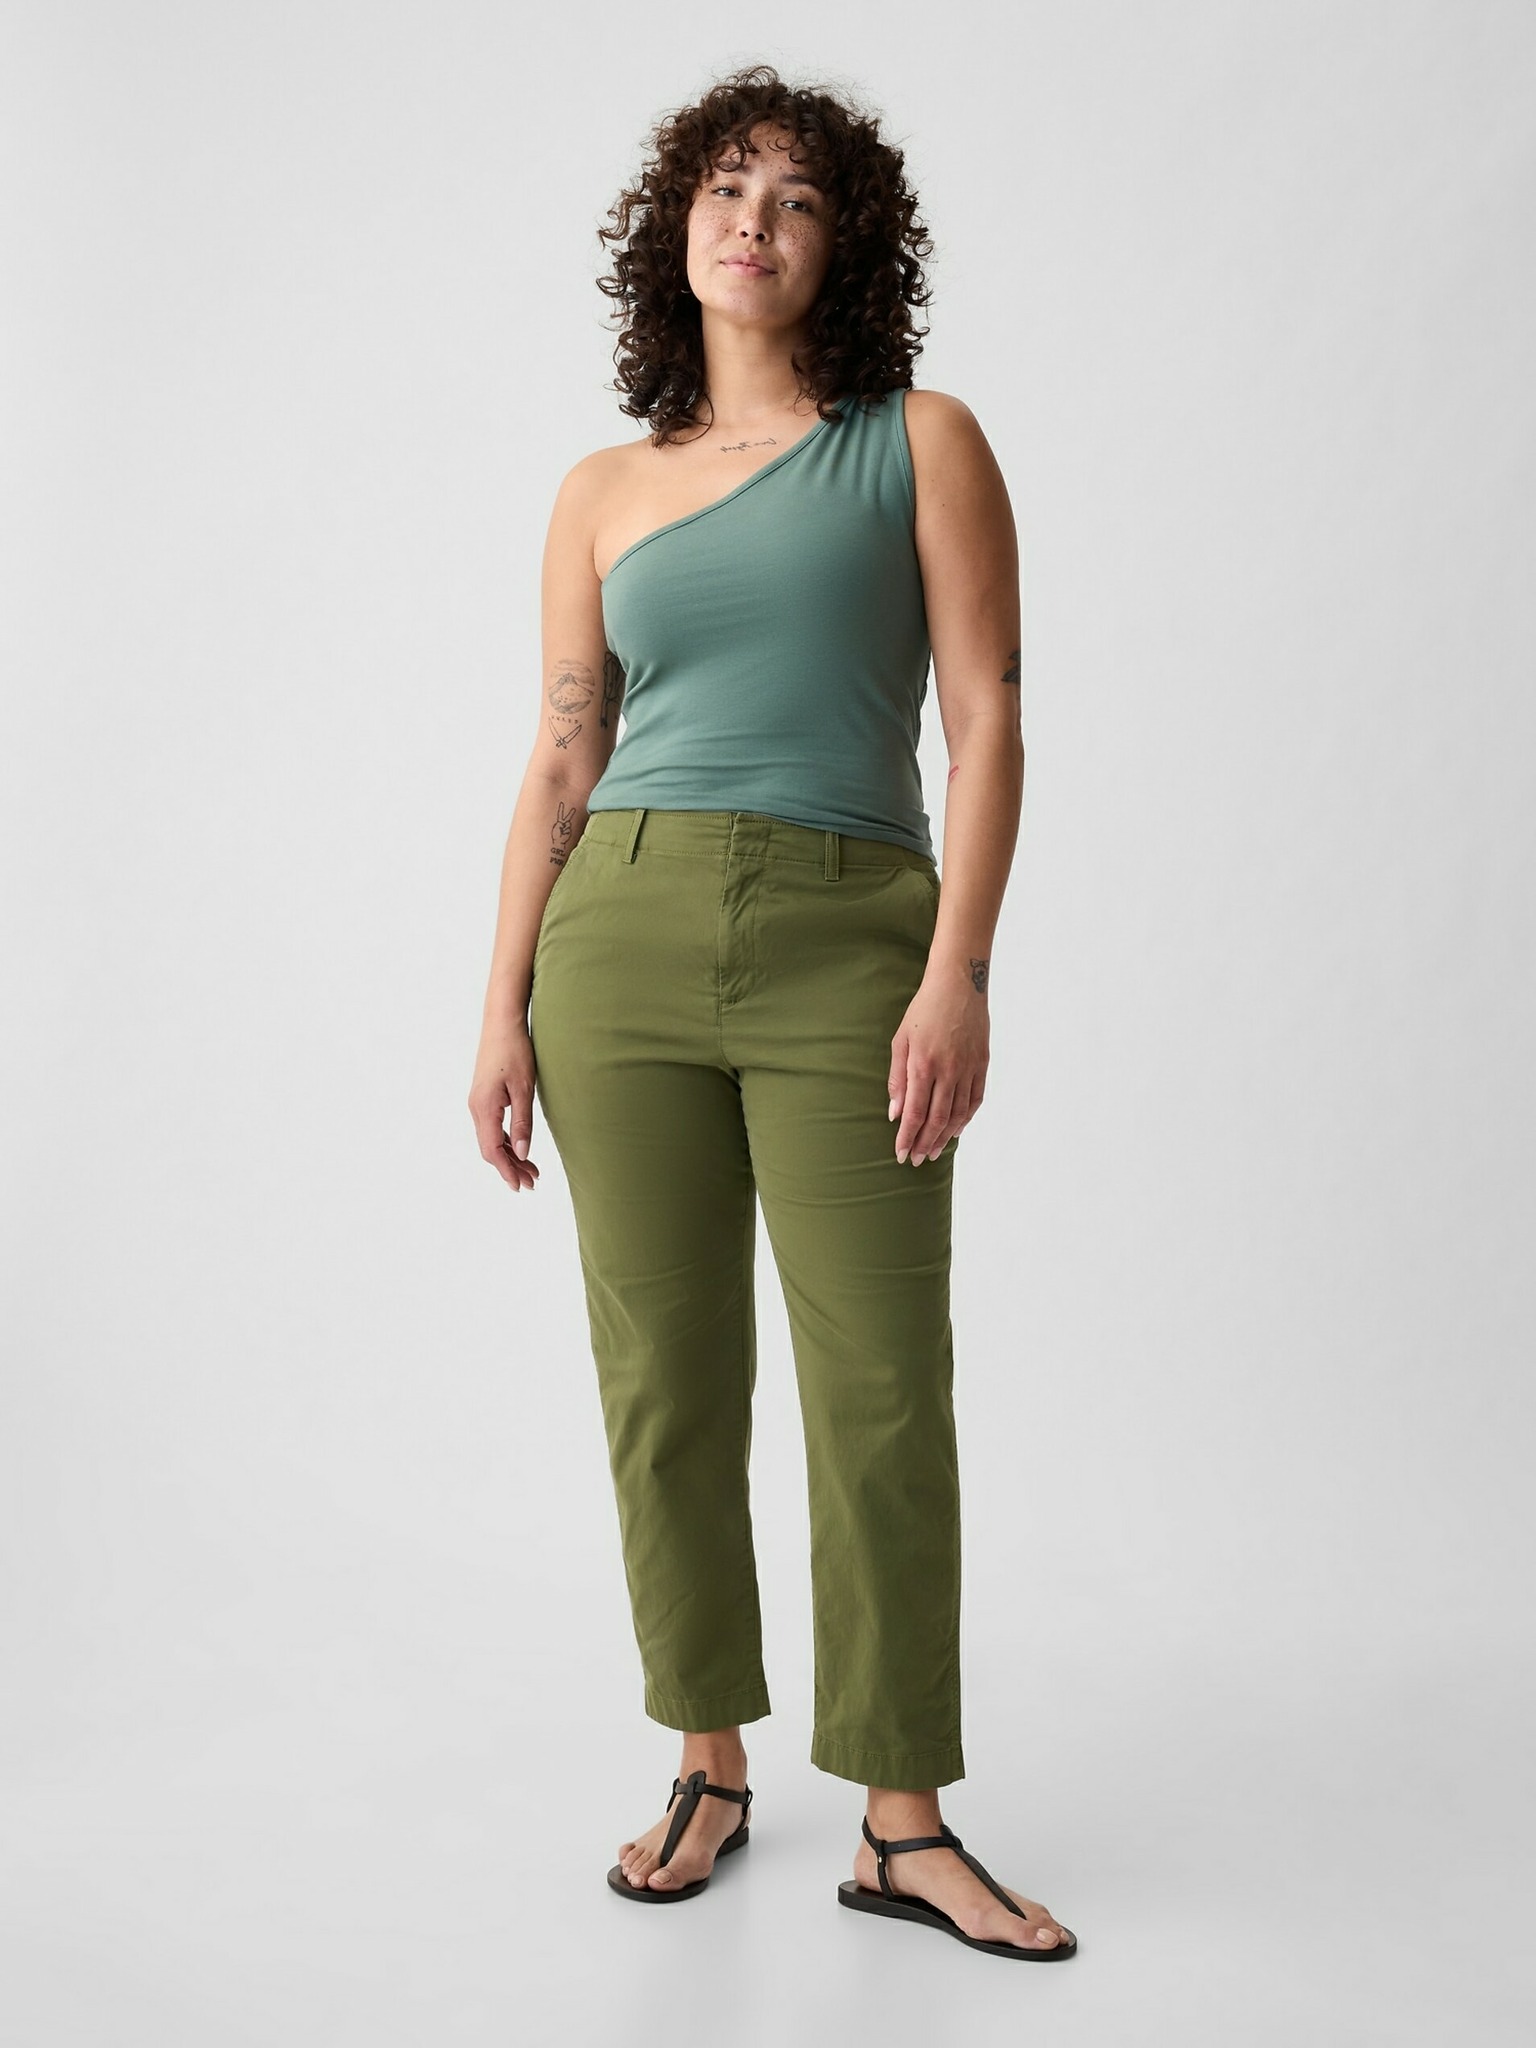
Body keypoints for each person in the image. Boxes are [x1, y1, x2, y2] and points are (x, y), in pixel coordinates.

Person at [468, 65, 1077, 1962]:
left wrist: (958, 969)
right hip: (619, 940)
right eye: (727, 187)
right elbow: (561, 760)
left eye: (799, 198)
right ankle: (709, 1764)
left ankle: (903, 1818)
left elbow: (987, 720)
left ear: (845, 246)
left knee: (879, 1380)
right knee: (665, 1377)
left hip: (850, 932)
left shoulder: (920, 442)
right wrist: (500, 1005)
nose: (755, 219)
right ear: (678, 227)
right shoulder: (600, 492)